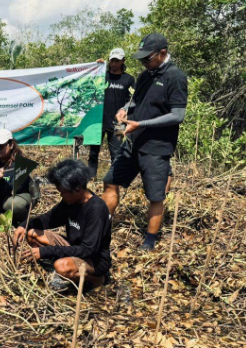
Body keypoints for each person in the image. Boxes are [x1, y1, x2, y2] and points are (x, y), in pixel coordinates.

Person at [102, 33, 188, 251]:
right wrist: (124, 110)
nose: (143, 63)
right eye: (141, 60)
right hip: (132, 142)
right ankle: (102, 225)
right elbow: (136, 101)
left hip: (156, 148)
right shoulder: (145, 75)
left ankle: (149, 241)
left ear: (162, 53)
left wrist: (142, 124)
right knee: (110, 181)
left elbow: (178, 115)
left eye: (147, 59)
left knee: (155, 196)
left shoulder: (175, 77)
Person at [13, 159, 111, 291]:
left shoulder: (97, 209)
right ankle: (55, 271)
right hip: (74, 247)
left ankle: (97, 279)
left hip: (94, 259)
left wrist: (45, 251)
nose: (61, 196)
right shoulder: (69, 202)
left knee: (62, 267)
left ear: (77, 190)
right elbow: (48, 219)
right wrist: (24, 225)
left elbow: (87, 249)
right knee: (32, 234)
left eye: (63, 192)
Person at [89, 48, 135, 177]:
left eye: (117, 61)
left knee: (116, 152)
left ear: (123, 61)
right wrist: (96, 67)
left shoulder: (129, 79)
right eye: (112, 60)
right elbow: (89, 82)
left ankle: (114, 179)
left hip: (118, 123)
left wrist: (126, 113)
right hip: (97, 122)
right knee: (93, 153)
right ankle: (91, 178)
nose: (114, 63)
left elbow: (133, 99)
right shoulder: (102, 76)